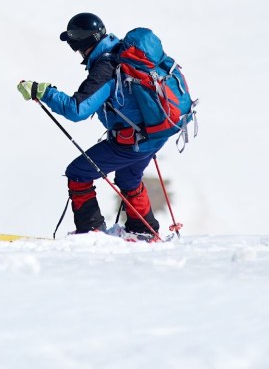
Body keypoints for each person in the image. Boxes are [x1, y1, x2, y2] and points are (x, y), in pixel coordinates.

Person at [17, 12, 172, 236]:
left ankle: (91, 231)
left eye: (73, 44)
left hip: (133, 141)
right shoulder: (122, 54)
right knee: (129, 179)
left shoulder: (106, 67)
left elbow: (77, 109)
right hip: (156, 133)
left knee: (78, 173)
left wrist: (43, 92)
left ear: (82, 42)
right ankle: (144, 232)